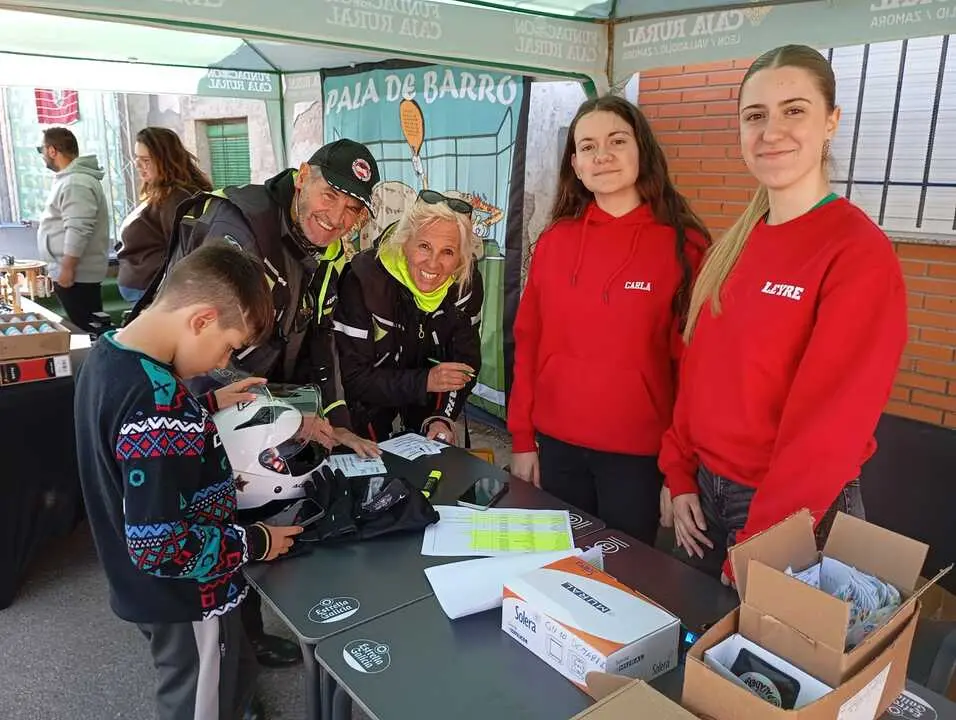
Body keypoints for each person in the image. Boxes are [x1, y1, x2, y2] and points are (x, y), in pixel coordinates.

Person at [659, 44, 908, 585]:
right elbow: (699, 373)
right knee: (689, 657)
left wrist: (764, 543)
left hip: (797, 516)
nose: (771, 131)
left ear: (831, 122)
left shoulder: (856, 252)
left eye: (794, 110)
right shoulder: (737, 243)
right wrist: (678, 474)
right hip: (705, 497)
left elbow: (831, 428)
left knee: (765, 671)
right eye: (755, 116)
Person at [130, 138, 381, 667]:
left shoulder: (329, 248)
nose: (337, 217)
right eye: (330, 195)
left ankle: (240, 629)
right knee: (203, 512)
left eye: (354, 207)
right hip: (194, 386)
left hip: (251, 390)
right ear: (303, 173)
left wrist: (335, 420)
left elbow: (319, 339)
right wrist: (284, 419)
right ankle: (216, 648)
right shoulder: (238, 225)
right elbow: (214, 345)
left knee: (244, 503)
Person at [74, 240, 303, 720]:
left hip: (146, 589)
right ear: (200, 319)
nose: (223, 364)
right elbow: (160, 547)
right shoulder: (160, 410)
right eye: (229, 347)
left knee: (228, 677)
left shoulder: (110, 355)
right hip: (188, 596)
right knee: (197, 699)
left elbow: (129, 442)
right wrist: (256, 542)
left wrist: (204, 408)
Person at [506, 95, 711, 546]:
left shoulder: (684, 247)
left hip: (637, 458)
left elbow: (696, 370)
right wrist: (522, 439)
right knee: (560, 573)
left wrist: (679, 471)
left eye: (617, 141)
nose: (603, 156)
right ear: (575, 164)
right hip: (557, 448)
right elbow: (529, 343)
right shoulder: (556, 242)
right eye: (588, 146)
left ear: (642, 151)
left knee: (625, 583)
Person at [334, 190, 483, 444]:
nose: (433, 265)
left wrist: (442, 417)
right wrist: (425, 381)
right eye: (424, 246)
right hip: (364, 409)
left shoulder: (465, 285)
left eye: (447, 251)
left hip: (427, 403)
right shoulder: (363, 281)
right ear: (405, 242)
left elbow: (464, 365)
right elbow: (353, 378)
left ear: (460, 258)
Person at [116, 127, 213, 303]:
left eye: (145, 160)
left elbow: (185, 250)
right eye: (137, 158)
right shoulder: (163, 192)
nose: (138, 165)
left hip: (155, 292)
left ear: (166, 161)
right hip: (148, 290)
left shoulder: (177, 197)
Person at [36, 126, 109, 333]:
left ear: (52, 150)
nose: (42, 155)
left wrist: (67, 268)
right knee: (87, 328)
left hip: (77, 276)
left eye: (41, 150)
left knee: (88, 331)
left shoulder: (75, 182)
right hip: (74, 274)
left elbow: (78, 228)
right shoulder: (71, 180)